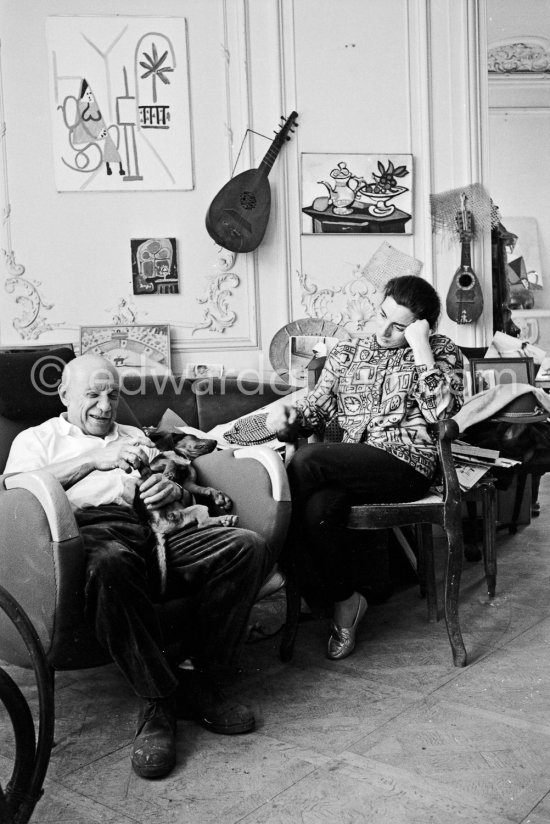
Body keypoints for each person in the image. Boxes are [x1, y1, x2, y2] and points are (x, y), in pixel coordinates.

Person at [5, 354, 274, 780]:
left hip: (156, 530)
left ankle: (200, 678)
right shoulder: (38, 439)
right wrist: (95, 460)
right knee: (111, 565)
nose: (104, 405)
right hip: (86, 534)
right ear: (64, 395)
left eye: (112, 394)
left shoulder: (134, 435)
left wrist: (171, 490)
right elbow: (17, 495)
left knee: (246, 547)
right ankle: (158, 701)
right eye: (92, 394)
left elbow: (177, 490)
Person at [267, 276, 464, 661]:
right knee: (318, 508)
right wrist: (289, 418)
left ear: (423, 326)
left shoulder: (442, 351)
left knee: (306, 460)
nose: (385, 331)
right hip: (352, 464)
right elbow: (316, 409)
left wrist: (421, 350)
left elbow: (443, 414)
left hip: (407, 465)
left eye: (400, 326)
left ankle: (271, 563)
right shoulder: (348, 353)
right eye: (382, 317)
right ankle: (346, 600)